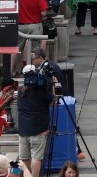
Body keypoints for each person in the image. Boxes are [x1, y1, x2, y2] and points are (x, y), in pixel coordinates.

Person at [18, 49, 56, 177]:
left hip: (23, 129)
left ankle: (27, 175)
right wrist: (51, 87)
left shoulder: (20, 90)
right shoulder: (41, 90)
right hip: (39, 128)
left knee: (24, 158)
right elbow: (52, 102)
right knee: (36, 157)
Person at [15, 0, 48, 74]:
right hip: (34, 26)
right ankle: (34, 72)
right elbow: (43, 12)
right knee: (35, 50)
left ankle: (11, 72)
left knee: (15, 49)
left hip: (19, 26)